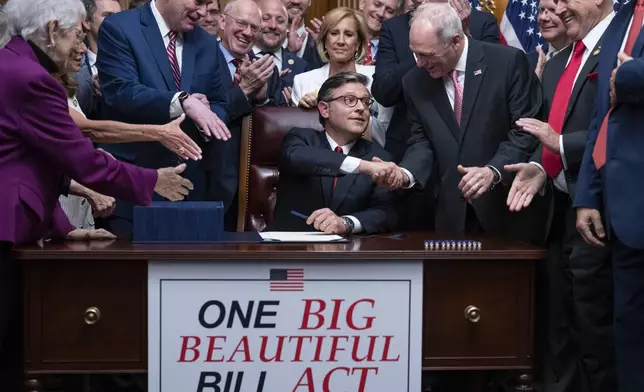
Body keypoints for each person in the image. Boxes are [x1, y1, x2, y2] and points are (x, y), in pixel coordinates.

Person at [0, 0, 193, 390]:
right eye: (75, 34)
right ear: (53, 30)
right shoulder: (30, 79)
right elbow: (83, 161)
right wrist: (151, 180)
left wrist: (61, 228)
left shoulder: (12, 64)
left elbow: (32, 162)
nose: (81, 45)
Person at [505, 0, 616, 389]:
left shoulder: (622, 47)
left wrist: (562, 143)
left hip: (604, 209)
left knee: (595, 325)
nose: (559, 8)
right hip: (556, 210)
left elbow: (620, 130)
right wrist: (538, 167)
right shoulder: (556, 63)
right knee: (559, 321)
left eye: (567, 0)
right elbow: (545, 132)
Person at [371, 2, 543, 241]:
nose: (419, 63)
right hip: (450, 217)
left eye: (427, 55)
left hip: (506, 208)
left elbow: (525, 129)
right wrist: (406, 173)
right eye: (415, 54)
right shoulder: (414, 81)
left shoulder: (507, 63)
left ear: (455, 41)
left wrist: (493, 170)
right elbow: (421, 141)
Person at [96, 0, 229, 237]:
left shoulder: (207, 43)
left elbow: (221, 103)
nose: (203, 13)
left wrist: (208, 113)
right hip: (133, 188)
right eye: (198, 2)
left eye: (208, 5)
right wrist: (183, 102)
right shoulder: (120, 28)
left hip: (192, 193)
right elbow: (120, 91)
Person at [573, 0, 644, 389]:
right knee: (627, 334)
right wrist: (587, 194)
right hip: (622, 210)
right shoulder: (620, 18)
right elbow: (603, 116)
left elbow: (624, 78)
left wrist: (630, 74)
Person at [270, 72, 397, 234]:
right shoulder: (299, 139)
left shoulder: (380, 157)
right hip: (289, 250)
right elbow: (297, 157)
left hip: (350, 252)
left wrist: (347, 223)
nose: (361, 108)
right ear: (324, 109)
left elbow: (387, 213)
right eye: (350, 100)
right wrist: (364, 166)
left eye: (366, 102)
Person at [204, 0, 285, 230]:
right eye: (241, 23)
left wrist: (262, 99)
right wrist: (244, 91)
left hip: (255, 186)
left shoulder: (267, 69)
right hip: (211, 182)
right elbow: (204, 119)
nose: (247, 33)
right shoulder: (202, 60)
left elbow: (274, 128)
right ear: (222, 21)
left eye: (255, 28)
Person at [291, 7, 393, 147]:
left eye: (348, 34)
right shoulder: (303, 81)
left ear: (357, 44)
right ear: (325, 41)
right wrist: (309, 111)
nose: (340, 41)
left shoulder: (376, 78)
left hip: (368, 158)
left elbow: (384, 135)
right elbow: (299, 139)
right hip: (318, 160)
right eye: (334, 33)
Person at [254, 0, 308, 88]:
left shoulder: (300, 66)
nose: (273, 26)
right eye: (266, 18)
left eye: (280, 21)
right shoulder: (238, 59)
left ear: (286, 26)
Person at [525, 0, 571, 79]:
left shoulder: (587, 59)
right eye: (541, 10)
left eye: (553, 10)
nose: (542, 17)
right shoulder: (526, 61)